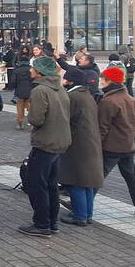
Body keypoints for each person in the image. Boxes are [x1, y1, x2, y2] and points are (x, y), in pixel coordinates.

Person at [19, 56, 72, 237]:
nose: (30, 70)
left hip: (45, 142)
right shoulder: (60, 87)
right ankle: (52, 222)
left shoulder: (40, 90)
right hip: (59, 141)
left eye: (33, 68)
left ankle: (42, 224)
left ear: (39, 71)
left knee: (37, 184)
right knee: (51, 184)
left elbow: (36, 119)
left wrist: (30, 113)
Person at [98, 66, 135, 221]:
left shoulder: (108, 101)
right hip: (127, 145)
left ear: (109, 81)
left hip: (111, 146)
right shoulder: (131, 100)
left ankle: (80, 207)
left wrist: (97, 145)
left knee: (97, 176)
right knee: (133, 179)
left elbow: (102, 127)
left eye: (103, 79)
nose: (101, 82)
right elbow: (134, 125)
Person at [58, 69, 103, 226]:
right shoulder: (87, 95)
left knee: (75, 181)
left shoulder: (73, 97)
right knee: (87, 182)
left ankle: (80, 215)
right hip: (90, 143)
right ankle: (87, 214)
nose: (63, 81)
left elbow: (65, 119)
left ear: (70, 81)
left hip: (78, 144)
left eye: (65, 79)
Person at [13, 45, 33, 129]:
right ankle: (32, 123)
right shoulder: (31, 70)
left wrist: (15, 87)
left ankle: (19, 123)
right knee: (30, 108)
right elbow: (33, 79)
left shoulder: (16, 70)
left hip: (19, 91)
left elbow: (13, 81)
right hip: (29, 90)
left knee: (20, 108)